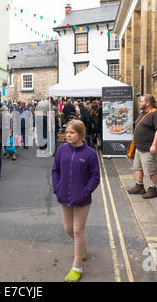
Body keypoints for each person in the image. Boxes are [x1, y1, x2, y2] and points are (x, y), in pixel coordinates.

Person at [52, 120, 100, 282]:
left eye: (71, 132)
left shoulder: (90, 153)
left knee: (78, 230)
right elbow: (55, 170)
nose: (68, 135)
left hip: (82, 199)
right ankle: (82, 246)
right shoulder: (61, 150)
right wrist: (57, 187)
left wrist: (85, 191)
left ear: (80, 134)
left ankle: (77, 267)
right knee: (68, 229)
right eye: (67, 132)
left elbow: (95, 176)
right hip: (64, 195)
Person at [128, 94, 157, 199]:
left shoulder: (156, 114)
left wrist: (154, 145)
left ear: (147, 103)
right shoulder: (144, 113)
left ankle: (153, 189)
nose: (140, 103)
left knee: (151, 169)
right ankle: (139, 186)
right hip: (139, 147)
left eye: (142, 101)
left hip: (149, 148)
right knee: (138, 167)